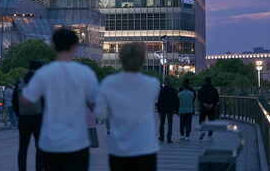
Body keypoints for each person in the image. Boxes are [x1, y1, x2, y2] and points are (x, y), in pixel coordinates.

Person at [21, 28, 98, 171]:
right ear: (75, 46)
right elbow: (95, 105)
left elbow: (26, 100)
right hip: (78, 142)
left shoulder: (44, 73)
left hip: (50, 142)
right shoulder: (86, 73)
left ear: (53, 46)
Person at [96, 42, 160, 171]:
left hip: (118, 150)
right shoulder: (152, 84)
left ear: (120, 59)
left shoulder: (108, 83)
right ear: (142, 60)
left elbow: (100, 114)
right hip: (146, 148)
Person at [13, 60, 44, 171]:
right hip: (38, 118)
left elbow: (14, 102)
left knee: (23, 147)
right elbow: (45, 101)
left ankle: (22, 169)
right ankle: (39, 168)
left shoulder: (20, 82)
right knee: (39, 147)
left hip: (23, 118)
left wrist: (19, 114)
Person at [156, 79, 179, 143]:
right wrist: (176, 109)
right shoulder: (173, 90)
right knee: (170, 124)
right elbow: (176, 100)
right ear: (170, 83)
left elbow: (159, 100)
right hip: (170, 109)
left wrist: (158, 109)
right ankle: (169, 138)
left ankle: (161, 137)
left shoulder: (161, 90)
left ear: (165, 83)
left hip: (162, 109)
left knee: (162, 123)